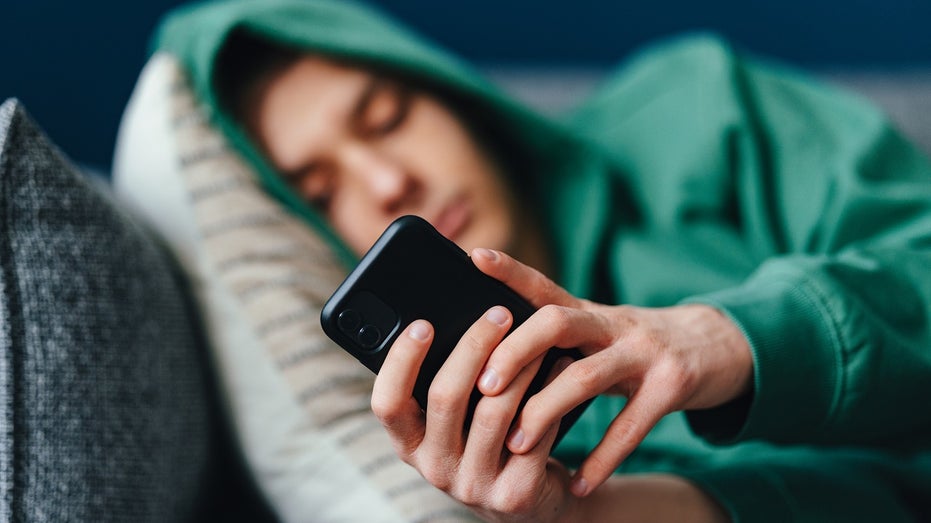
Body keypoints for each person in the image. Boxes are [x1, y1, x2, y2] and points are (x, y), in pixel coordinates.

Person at [155, 0, 931, 521]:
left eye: (386, 116)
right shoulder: (470, 426)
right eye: (322, 194)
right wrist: (586, 514)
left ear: (446, 90)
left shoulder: (701, 108)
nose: (389, 183)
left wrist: (718, 338)